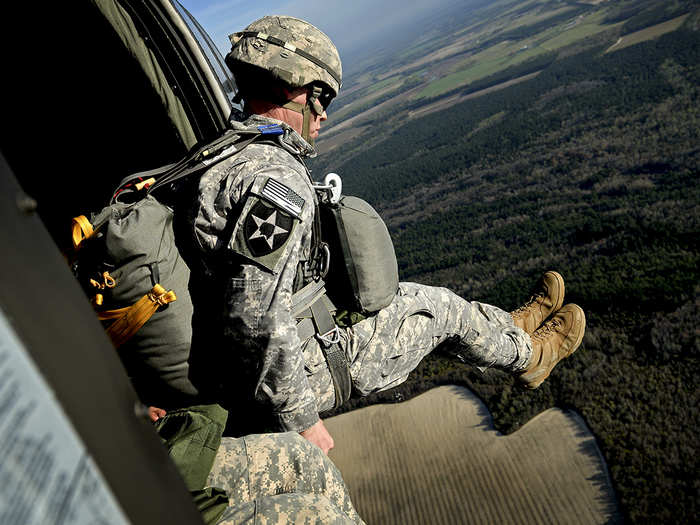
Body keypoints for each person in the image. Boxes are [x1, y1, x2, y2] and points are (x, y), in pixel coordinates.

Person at [181, 15, 586, 454]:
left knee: (422, 300)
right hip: (292, 376)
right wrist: (302, 420)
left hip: (260, 362)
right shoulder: (276, 180)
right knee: (437, 310)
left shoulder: (222, 153)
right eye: (321, 97)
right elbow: (256, 317)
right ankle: (531, 359)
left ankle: (508, 329)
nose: (324, 115)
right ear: (292, 88)